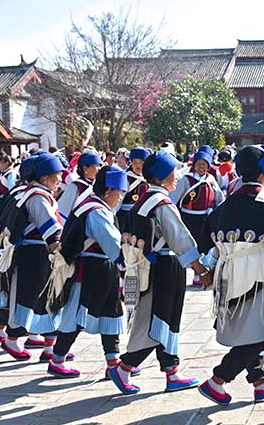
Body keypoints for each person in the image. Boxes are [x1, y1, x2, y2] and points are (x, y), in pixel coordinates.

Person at [195, 145, 264, 407]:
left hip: (226, 272)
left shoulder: (226, 204)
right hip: (258, 274)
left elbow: (209, 244)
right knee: (260, 332)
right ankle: (217, 380)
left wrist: (207, 270)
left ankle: (260, 383)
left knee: (251, 330)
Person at [108, 150, 208, 395]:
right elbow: (180, 239)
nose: (177, 176)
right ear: (163, 176)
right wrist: (200, 269)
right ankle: (125, 366)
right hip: (165, 267)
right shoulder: (162, 203)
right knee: (161, 319)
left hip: (145, 267)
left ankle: (172, 372)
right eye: (173, 171)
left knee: (162, 318)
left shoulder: (142, 200)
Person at [47, 166, 131, 378]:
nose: (120, 197)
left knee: (111, 313)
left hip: (101, 269)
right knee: (75, 317)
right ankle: (57, 360)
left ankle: (113, 362)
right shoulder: (97, 211)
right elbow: (112, 243)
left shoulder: (92, 204)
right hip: (89, 271)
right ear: (107, 191)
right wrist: (129, 261)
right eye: (119, 192)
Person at [0, 153, 65, 361]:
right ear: (44, 177)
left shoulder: (37, 193)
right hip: (35, 254)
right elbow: (50, 231)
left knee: (44, 301)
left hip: (38, 253)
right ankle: (13, 339)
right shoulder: (37, 197)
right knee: (31, 299)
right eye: (57, 175)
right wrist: (64, 254)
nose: (60, 180)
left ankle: (49, 348)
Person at [171, 147, 224, 285]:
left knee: (203, 245)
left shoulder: (211, 180)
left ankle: (201, 274)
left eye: (204, 164)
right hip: (189, 218)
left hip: (205, 218)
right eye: (199, 164)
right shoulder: (186, 180)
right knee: (192, 245)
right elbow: (174, 199)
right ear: (194, 165)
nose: (202, 167)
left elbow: (220, 198)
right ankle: (196, 272)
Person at [58, 151, 103, 224]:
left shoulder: (98, 185)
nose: (99, 169)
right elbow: (63, 212)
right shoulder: (75, 186)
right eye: (96, 165)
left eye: (100, 165)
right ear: (85, 168)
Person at [117, 147, 150, 234]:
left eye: (141, 162)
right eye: (134, 162)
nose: (138, 166)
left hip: (143, 215)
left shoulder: (149, 178)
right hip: (126, 216)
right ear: (130, 162)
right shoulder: (126, 178)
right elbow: (118, 200)